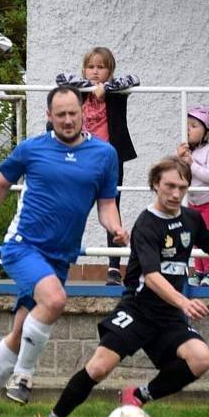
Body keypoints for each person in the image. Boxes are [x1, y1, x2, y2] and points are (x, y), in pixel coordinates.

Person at [22, 156, 209, 417]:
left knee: (200, 359)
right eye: (170, 186)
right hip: (138, 309)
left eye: (182, 188)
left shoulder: (191, 219)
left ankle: (138, 394)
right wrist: (183, 302)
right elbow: (151, 277)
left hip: (168, 315)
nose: (176, 194)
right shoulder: (146, 225)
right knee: (99, 367)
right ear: (155, 185)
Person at [0, 85, 128, 417]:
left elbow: (106, 204)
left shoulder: (105, 155)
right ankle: (23, 375)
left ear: (83, 113)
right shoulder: (32, 149)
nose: (67, 120)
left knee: (22, 330)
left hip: (60, 257)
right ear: (49, 116)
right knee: (54, 300)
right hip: (23, 246)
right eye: (60, 115)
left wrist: (115, 228)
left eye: (73, 113)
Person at [56, 47, 139, 286]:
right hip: (81, 157)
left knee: (112, 207)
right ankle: (60, 260)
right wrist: (89, 88)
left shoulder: (117, 92)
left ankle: (113, 267)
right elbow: (60, 79)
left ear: (110, 71)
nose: (95, 71)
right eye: (91, 67)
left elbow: (134, 79)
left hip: (110, 159)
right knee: (72, 207)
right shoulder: (78, 92)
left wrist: (107, 88)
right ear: (84, 69)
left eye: (101, 67)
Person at [177, 106, 209, 287]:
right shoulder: (188, 152)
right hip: (192, 202)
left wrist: (191, 163)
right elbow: (177, 174)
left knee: (206, 236)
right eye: (187, 125)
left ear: (207, 132)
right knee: (192, 237)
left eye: (194, 126)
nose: (188, 129)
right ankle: (198, 272)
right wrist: (179, 159)